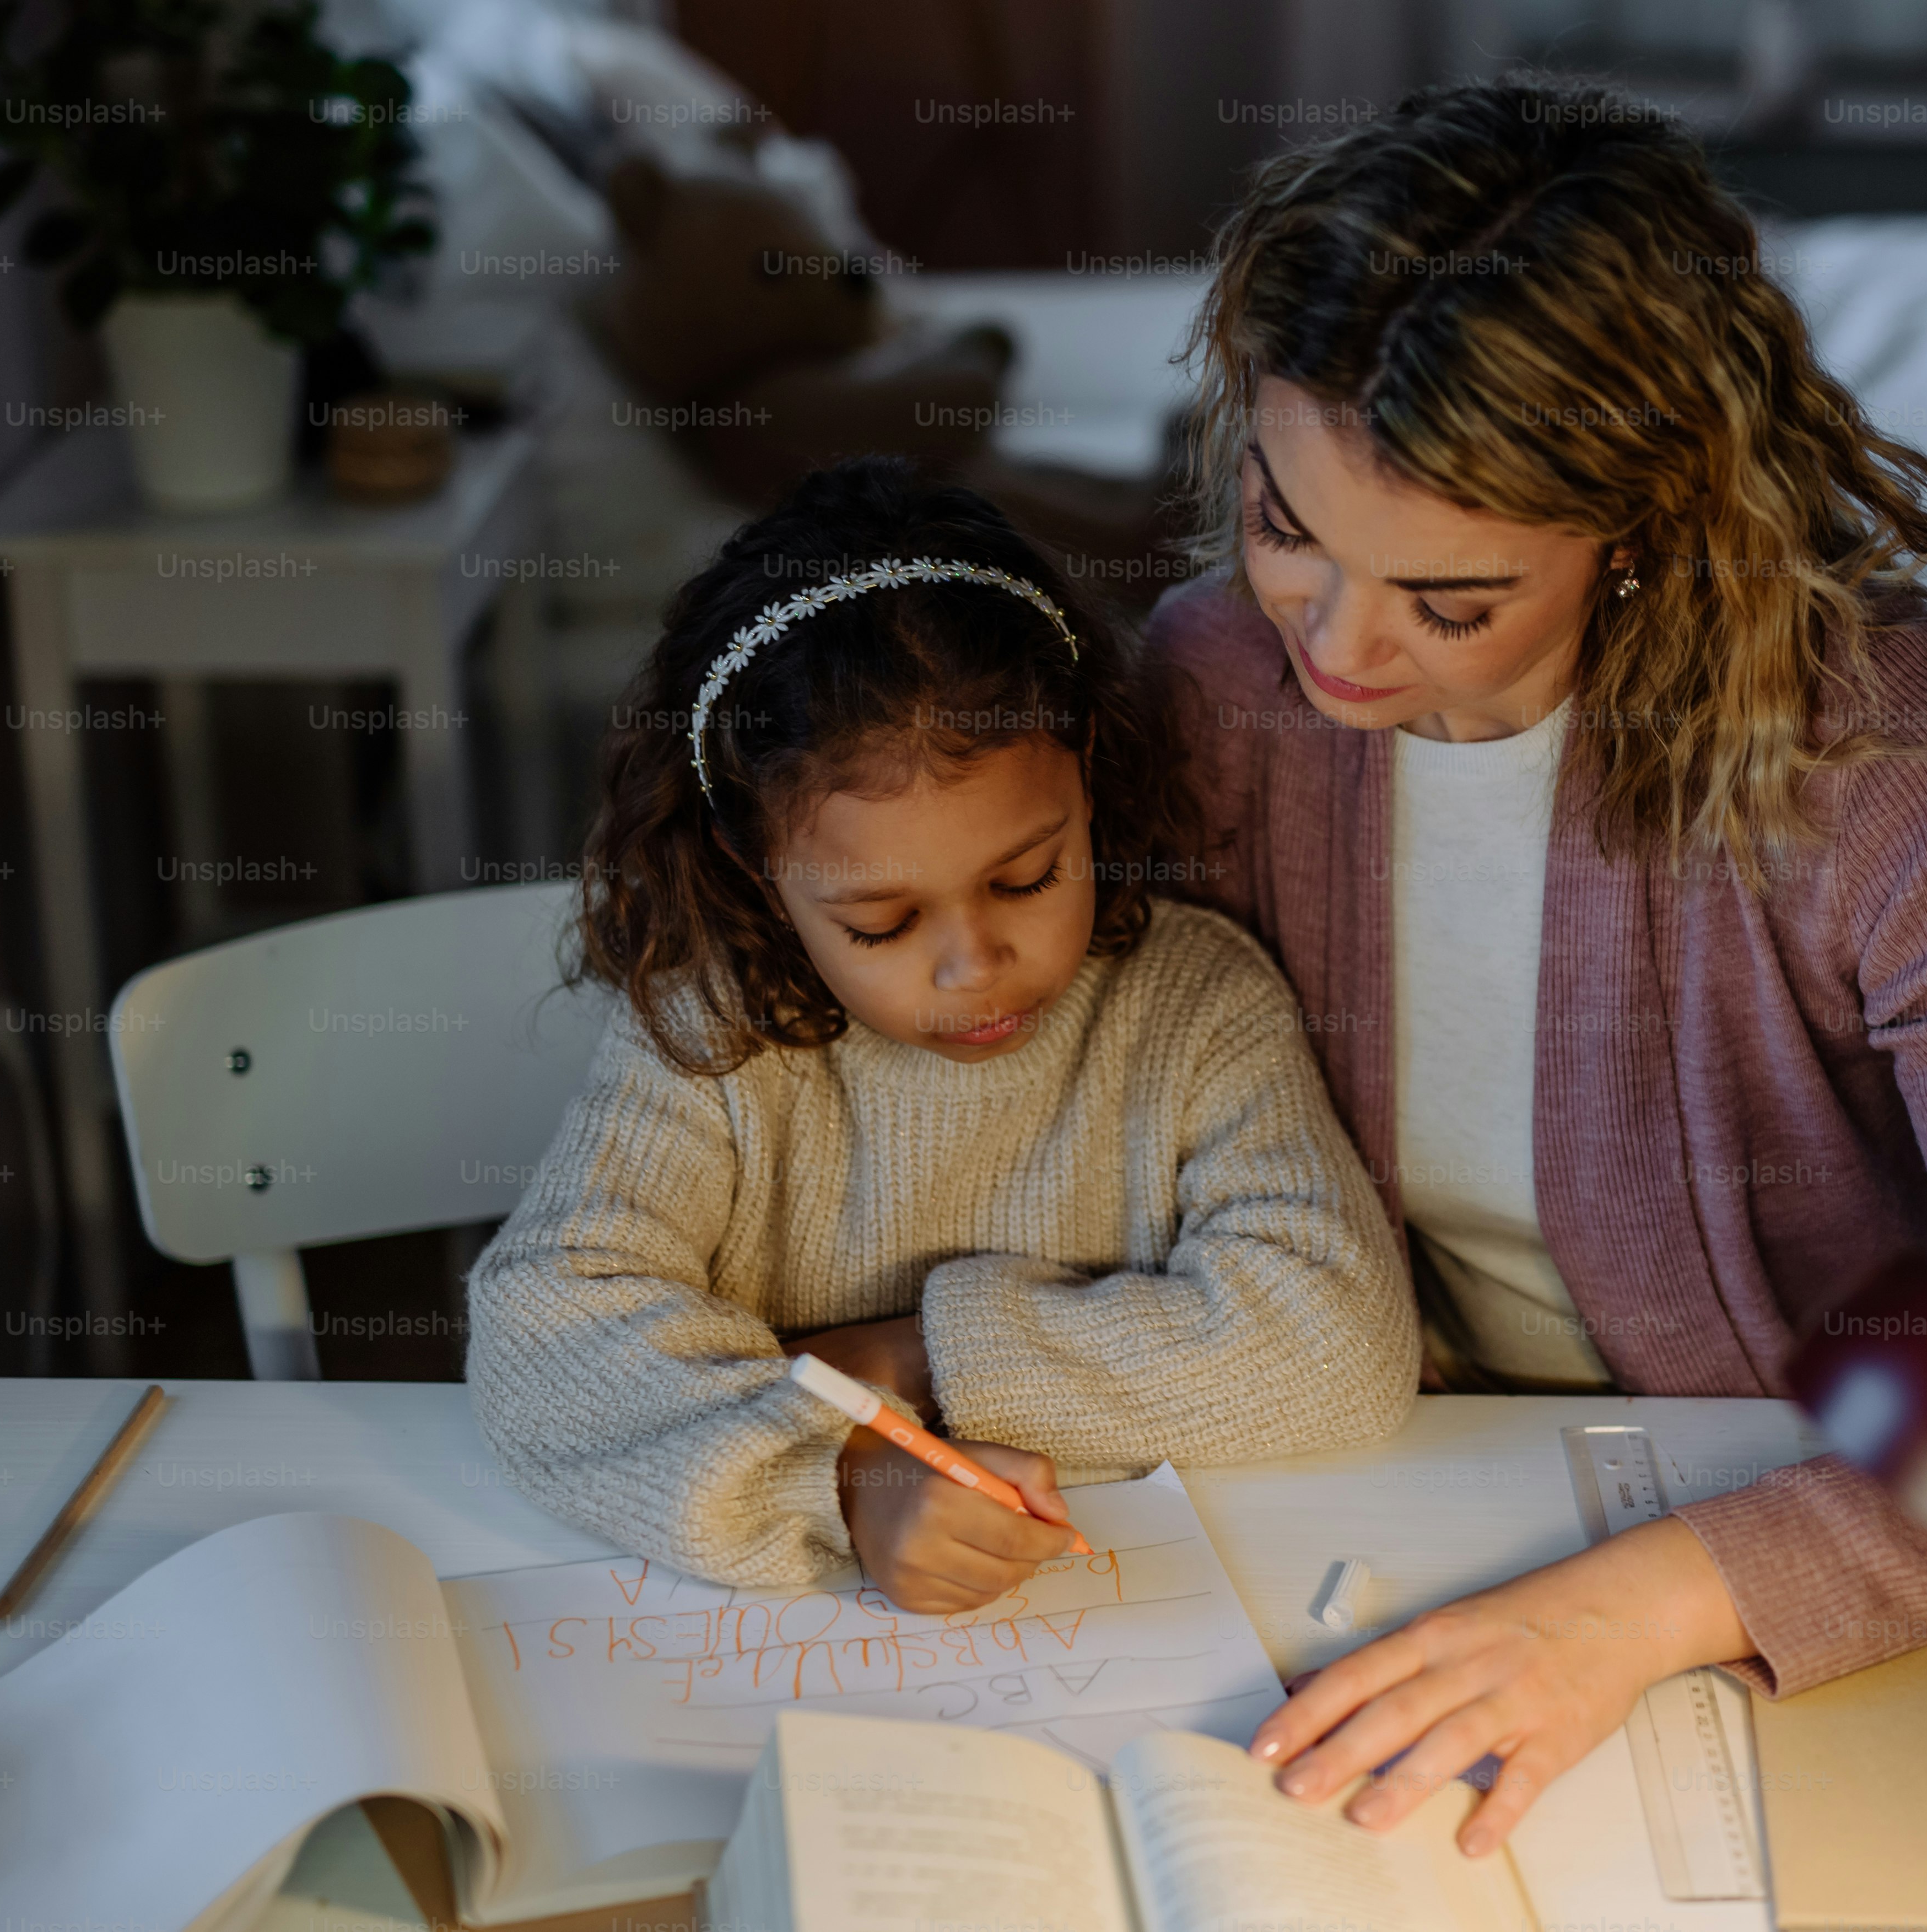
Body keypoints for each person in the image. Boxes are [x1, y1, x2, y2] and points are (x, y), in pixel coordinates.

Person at [1149, 78, 1927, 1853]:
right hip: (1374, 1501)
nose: (1334, 650)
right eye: (1286, 528)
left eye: (1445, 601)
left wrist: (1629, 1609)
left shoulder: (1883, 748)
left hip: (1819, 1543)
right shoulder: (1213, 687)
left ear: (1644, 527)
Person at [467, 460, 1416, 1615]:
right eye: (884, 921)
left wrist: (917, 1355)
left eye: (1027, 876)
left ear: (1088, 773)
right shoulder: (713, 1030)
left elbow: (1341, 1352)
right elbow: (539, 1345)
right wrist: (843, 1476)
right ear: (757, 872)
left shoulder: (1194, 1004)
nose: (976, 966)